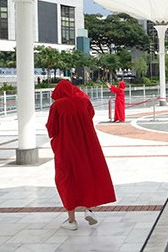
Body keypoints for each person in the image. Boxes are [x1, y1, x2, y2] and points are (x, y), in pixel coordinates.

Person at [46, 80, 116, 230]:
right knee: (85, 176)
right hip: (86, 146)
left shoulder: (57, 105)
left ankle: (71, 221)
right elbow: (90, 116)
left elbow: (52, 128)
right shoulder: (84, 101)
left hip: (66, 148)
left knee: (66, 180)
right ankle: (88, 209)